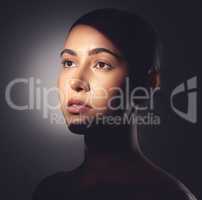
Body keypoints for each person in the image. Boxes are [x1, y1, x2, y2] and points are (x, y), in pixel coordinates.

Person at [32, 8, 197, 200]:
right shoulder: (51, 191)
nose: (76, 82)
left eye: (102, 64)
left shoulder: (168, 196)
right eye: (69, 63)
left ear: (149, 82)